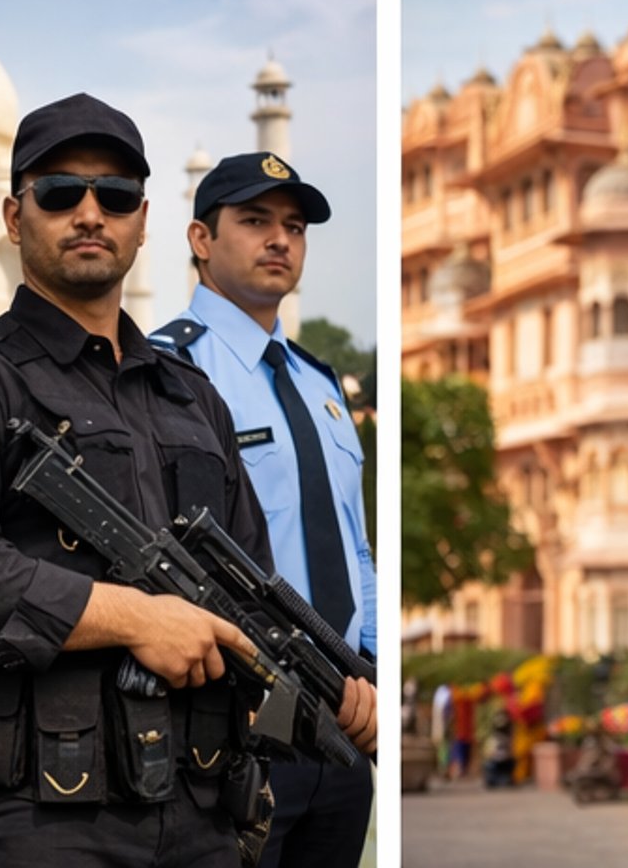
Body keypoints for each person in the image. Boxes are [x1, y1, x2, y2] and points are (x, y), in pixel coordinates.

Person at [0, 94, 373, 866]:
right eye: (59, 192)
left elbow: (251, 581)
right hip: (30, 825)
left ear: (142, 222)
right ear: (13, 217)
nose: (89, 213)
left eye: (114, 195)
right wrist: (136, 618)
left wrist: (329, 679)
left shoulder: (190, 395)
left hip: (202, 815)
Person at [152, 153, 376, 868]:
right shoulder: (165, 372)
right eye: (255, 221)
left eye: (295, 226)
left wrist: (370, 668)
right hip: (230, 724)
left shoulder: (319, 384)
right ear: (201, 238)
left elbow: (353, 545)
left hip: (341, 723)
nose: (280, 239)